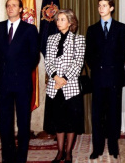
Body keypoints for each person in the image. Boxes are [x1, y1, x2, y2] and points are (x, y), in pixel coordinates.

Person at [0, 0, 39, 163]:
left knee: (23, 122)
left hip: (22, 81)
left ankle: (21, 158)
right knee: (5, 122)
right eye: (8, 5)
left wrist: (20, 70)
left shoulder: (30, 29)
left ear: (21, 9)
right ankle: (7, 157)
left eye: (14, 5)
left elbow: (34, 57)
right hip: (3, 81)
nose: (10, 8)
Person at [85, 0, 125, 159]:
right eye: (99, 6)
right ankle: (97, 148)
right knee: (97, 114)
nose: (101, 8)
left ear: (111, 8)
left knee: (113, 114)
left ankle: (113, 148)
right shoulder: (92, 29)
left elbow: (123, 52)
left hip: (114, 78)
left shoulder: (121, 28)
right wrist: (98, 67)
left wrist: (111, 68)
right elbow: (88, 55)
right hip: (97, 77)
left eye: (104, 5)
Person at [44, 9, 85, 163]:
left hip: (70, 86)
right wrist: (55, 77)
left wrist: (64, 79)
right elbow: (48, 61)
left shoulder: (79, 39)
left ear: (70, 22)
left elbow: (78, 62)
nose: (58, 22)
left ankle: (68, 152)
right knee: (58, 121)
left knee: (70, 121)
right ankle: (60, 151)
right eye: (58, 19)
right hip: (54, 87)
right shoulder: (51, 39)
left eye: (62, 19)